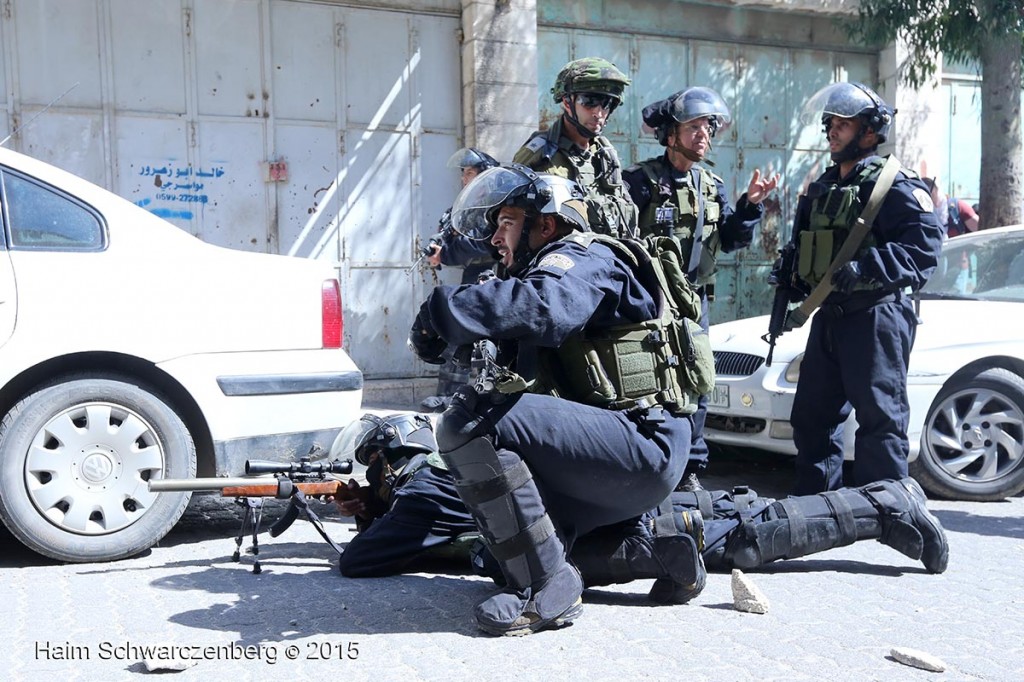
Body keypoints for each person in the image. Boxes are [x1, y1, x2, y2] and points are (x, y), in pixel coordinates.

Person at [406, 165, 706, 636]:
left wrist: (445, 309)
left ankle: (549, 590)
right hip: (607, 461)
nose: (495, 237)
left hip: (642, 445)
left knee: (469, 421)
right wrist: (445, 338)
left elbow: (545, 306)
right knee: (505, 550)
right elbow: (515, 355)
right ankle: (657, 555)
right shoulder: (534, 273)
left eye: (506, 222)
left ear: (545, 224)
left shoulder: (583, 258)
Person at [331, 413, 949, 587]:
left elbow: (361, 563)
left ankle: (885, 504)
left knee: (751, 532)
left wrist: (368, 519)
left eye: (377, 471)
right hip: (614, 505)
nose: (378, 481)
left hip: (627, 522)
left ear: (390, 458)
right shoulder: (452, 474)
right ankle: (881, 503)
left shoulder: (425, 491)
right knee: (745, 515)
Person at [785, 82, 943, 495]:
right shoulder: (825, 184)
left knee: (880, 420)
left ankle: (889, 514)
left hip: (876, 315)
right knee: (811, 417)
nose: (833, 131)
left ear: (870, 133)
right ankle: (817, 511)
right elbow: (805, 241)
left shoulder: (895, 184)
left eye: (844, 124)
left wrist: (868, 266)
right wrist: (790, 270)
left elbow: (923, 251)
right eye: (831, 123)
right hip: (831, 316)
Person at [625, 87, 780, 490]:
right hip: (647, 302)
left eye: (708, 127)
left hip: (694, 301)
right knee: (647, 382)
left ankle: (690, 468)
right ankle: (645, 463)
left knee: (697, 382)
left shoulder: (710, 185)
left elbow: (729, 239)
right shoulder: (639, 181)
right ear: (670, 135)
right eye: (693, 126)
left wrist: (749, 206)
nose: (703, 135)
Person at [512, 57, 638, 239]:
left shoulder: (605, 154)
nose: (599, 113)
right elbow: (513, 221)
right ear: (566, 102)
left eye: (607, 104)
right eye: (589, 101)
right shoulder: (540, 154)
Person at [421, 147, 501, 412]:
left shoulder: (496, 204)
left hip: (496, 277)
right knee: (457, 333)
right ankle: (450, 397)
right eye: (463, 173)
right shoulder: (466, 205)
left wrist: (446, 254)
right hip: (473, 277)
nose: (464, 179)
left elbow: (484, 244)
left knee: (488, 341)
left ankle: (483, 398)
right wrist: (437, 244)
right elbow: (450, 229)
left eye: (469, 172)